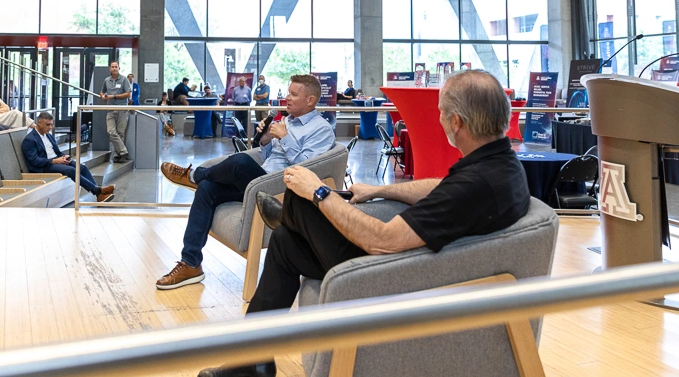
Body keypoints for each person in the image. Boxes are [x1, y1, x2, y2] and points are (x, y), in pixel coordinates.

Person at [195, 70, 531, 377]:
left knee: (302, 195)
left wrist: (320, 192)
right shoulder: (498, 166)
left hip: (386, 279)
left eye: (441, 111)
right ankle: (251, 362)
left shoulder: (477, 184)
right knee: (284, 242)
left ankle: (288, 212)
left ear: (456, 122)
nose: (439, 117)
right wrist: (380, 190)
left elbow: (382, 241)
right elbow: (441, 187)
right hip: (413, 266)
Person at [155, 74, 335, 291]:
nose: (287, 97)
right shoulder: (287, 120)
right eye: (288, 92)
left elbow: (306, 170)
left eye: (294, 94)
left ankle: (195, 175)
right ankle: (190, 263)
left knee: (240, 161)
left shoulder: (321, 129)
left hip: (281, 190)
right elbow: (270, 157)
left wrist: (285, 137)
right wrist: (268, 139)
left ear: (311, 100)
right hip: (260, 181)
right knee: (207, 189)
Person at [21, 112, 115, 202]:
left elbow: (57, 152)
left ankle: (98, 193)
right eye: (48, 125)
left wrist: (63, 157)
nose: (50, 127)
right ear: (39, 122)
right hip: (44, 166)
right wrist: (54, 161)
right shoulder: (30, 139)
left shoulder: (48, 136)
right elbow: (34, 161)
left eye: (51, 124)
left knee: (82, 167)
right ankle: (98, 191)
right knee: (71, 170)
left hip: (56, 161)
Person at [102, 61, 132, 163]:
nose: (114, 68)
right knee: (111, 132)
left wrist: (114, 96)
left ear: (119, 68)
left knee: (120, 133)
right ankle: (124, 151)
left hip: (122, 109)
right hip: (110, 109)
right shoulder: (107, 80)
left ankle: (117, 154)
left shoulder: (124, 79)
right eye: (112, 67)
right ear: (109, 69)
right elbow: (102, 91)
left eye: (116, 67)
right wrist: (103, 95)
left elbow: (128, 94)